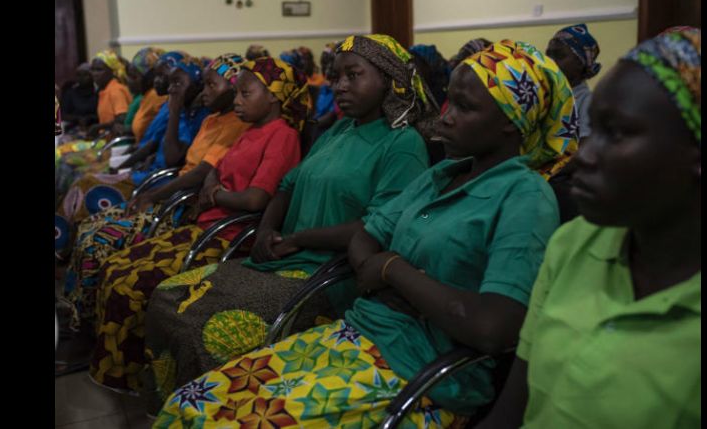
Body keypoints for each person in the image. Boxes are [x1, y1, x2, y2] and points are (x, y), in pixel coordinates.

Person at [153, 38, 577, 428]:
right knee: (189, 405)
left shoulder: (525, 196)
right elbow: (366, 237)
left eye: (464, 108)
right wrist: (389, 276)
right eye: (448, 100)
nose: (444, 117)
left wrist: (392, 272)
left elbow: (493, 327)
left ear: (511, 123)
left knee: (213, 421)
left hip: (420, 373)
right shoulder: (444, 174)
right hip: (364, 330)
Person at [143, 34, 435, 414]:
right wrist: (266, 230)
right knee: (168, 295)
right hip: (282, 256)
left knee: (200, 325)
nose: (339, 85)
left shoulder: (403, 144)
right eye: (336, 76)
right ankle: (171, 411)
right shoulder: (340, 130)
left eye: (353, 75)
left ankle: (217, 414)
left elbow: (382, 226)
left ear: (389, 79)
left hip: (331, 274)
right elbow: (287, 185)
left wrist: (298, 238)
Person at [476, 27, 701, 429]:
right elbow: (512, 411)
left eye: (616, 133)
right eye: (592, 130)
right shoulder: (573, 243)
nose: (583, 157)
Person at [87, 56, 307, 394]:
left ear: (274, 96)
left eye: (245, 94)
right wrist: (214, 181)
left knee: (130, 281)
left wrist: (215, 193)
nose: (237, 100)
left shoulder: (282, 136)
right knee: (116, 265)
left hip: (229, 236)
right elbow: (219, 166)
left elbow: (255, 200)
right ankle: (115, 367)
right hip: (205, 226)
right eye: (237, 94)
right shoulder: (251, 130)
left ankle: (130, 376)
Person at [63, 53, 250, 330]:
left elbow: (195, 171)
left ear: (234, 87)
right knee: (89, 227)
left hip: (181, 202)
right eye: (206, 84)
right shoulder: (212, 119)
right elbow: (179, 161)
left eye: (212, 85)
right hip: (169, 190)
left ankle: (91, 324)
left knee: (98, 240)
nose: (205, 91)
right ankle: (82, 316)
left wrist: (152, 195)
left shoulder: (236, 122)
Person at [545, 23, 601, 142]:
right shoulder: (546, 98)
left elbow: (585, 146)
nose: (551, 62)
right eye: (548, 55)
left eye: (559, 56)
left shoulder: (587, 102)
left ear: (580, 62)